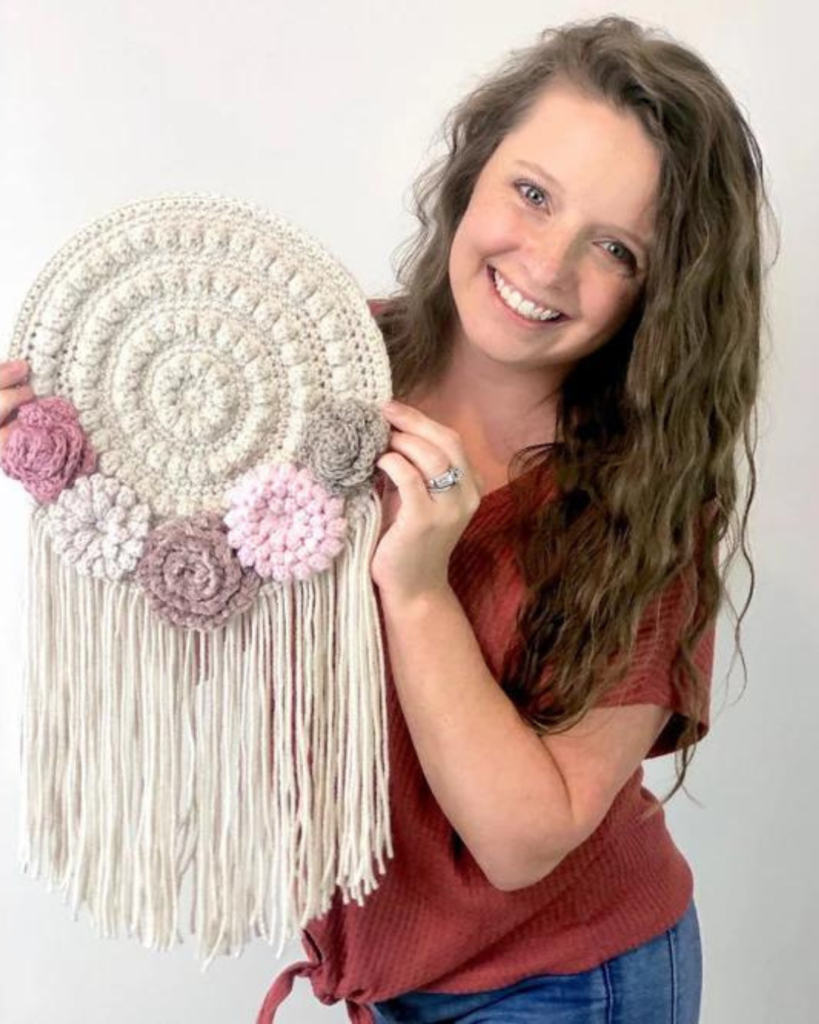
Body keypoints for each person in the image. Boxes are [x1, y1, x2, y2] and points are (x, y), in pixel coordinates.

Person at [0, 15, 774, 1024]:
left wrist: (416, 590)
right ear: (474, 169)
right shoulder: (309, 373)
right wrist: (73, 444)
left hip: (567, 983)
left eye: (615, 248)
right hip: (396, 977)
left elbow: (524, 837)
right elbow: (192, 571)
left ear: (659, 291)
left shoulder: (647, 500)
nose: (544, 262)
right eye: (532, 193)